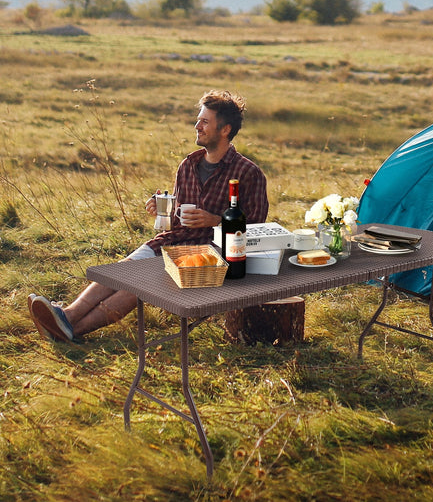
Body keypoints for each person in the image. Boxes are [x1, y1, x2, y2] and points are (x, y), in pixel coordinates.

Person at [29, 90, 269, 342]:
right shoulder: (188, 166)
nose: (197, 126)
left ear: (225, 129)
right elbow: (178, 218)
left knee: (141, 284)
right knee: (122, 271)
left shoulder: (248, 172)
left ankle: (70, 330)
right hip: (173, 241)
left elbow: (256, 232)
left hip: (211, 255)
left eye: (205, 121)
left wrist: (216, 220)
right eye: (198, 120)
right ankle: (66, 316)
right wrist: (161, 208)